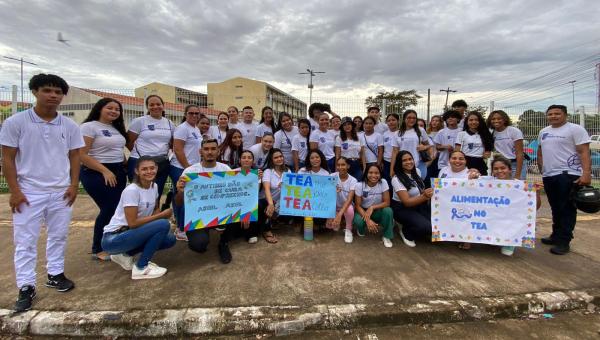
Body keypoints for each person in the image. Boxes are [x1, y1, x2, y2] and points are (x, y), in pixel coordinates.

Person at [1, 74, 84, 312]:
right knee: (25, 241)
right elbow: (7, 158)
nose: (53, 96)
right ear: (35, 92)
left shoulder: (69, 126)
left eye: (58, 92)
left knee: (58, 235)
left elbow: (74, 156)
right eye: (47, 90)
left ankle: (55, 273)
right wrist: (14, 190)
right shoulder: (16, 122)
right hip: (29, 191)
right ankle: (26, 285)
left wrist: (73, 184)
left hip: (61, 191)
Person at [102, 156, 175, 279]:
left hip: (129, 234)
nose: (149, 171)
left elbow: (155, 210)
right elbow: (133, 223)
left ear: (157, 169)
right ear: (137, 171)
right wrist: (163, 216)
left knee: (169, 239)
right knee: (163, 224)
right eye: (144, 169)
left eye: (152, 168)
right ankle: (141, 267)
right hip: (113, 238)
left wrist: (161, 216)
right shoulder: (132, 190)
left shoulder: (154, 186)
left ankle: (124, 254)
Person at [537, 104, 591, 255]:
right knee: (555, 207)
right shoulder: (544, 131)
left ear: (565, 115)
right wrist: (543, 169)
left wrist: (586, 173)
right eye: (550, 114)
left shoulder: (575, 129)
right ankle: (555, 235)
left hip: (568, 174)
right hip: (549, 175)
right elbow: (540, 152)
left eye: (557, 113)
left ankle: (564, 240)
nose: (553, 116)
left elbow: (584, 151)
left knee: (566, 208)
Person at [79, 98, 128, 261]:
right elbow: (81, 155)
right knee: (109, 208)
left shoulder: (116, 128)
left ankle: (114, 242)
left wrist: (125, 164)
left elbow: (117, 149)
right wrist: (105, 171)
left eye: (117, 109)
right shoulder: (89, 126)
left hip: (118, 171)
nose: (114, 111)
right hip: (96, 172)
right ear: (99, 108)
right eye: (110, 108)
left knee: (117, 209)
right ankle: (98, 248)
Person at [175, 138, 234, 263]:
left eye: (213, 149)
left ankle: (223, 243)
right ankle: (202, 233)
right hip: (198, 216)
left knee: (240, 218)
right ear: (200, 152)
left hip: (220, 212)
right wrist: (180, 191)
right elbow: (179, 203)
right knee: (199, 246)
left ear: (218, 151)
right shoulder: (190, 172)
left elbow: (235, 195)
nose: (210, 152)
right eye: (206, 149)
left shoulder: (226, 169)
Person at [491, 156, 542, 256]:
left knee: (507, 252)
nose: (499, 171)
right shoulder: (487, 183)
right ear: (492, 171)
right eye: (496, 169)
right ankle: (496, 236)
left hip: (512, 221)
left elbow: (536, 206)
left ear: (510, 170)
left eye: (503, 168)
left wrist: (535, 192)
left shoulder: (520, 186)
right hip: (496, 219)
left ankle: (511, 242)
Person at [126, 95, 173, 198]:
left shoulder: (169, 123)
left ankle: (155, 213)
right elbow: (128, 141)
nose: (155, 107)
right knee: (140, 195)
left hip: (161, 163)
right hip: (139, 162)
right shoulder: (139, 121)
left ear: (163, 106)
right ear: (147, 107)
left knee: (156, 194)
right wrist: (143, 157)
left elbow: (171, 143)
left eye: (158, 104)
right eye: (151, 105)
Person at [169, 105, 203, 242]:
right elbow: (178, 150)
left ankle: (179, 223)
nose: (194, 115)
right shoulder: (182, 128)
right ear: (185, 114)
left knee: (181, 197)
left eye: (197, 113)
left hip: (191, 167)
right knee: (183, 198)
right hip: (181, 168)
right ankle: (181, 229)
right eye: (191, 113)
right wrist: (187, 168)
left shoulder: (195, 128)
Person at [390, 151, 433, 248]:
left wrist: (427, 192)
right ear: (399, 163)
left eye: (410, 159)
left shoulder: (417, 171)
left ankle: (413, 224)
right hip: (402, 208)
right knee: (426, 227)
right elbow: (407, 202)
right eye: (404, 160)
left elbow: (420, 190)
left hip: (418, 205)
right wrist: (425, 196)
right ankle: (406, 231)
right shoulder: (396, 179)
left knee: (436, 224)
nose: (408, 162)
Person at [353, 164, 394, 248]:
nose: (374, 175)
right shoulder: (359, 185)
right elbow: (357, 205)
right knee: (358, 222)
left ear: (380, 174)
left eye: (377, 173)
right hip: (363, 210)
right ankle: (361, 229)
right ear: (366, 173)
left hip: (377, 210)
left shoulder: (383, 182)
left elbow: (387, 202)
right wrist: (368, 220)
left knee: (388, 210)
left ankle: (386, 236)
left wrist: (372, 207)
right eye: (370, 172)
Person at [259, 148, 291, 244]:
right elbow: (267, 189)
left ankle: (275, 219)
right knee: (269, 205)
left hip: (280, 202)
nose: (279, 159)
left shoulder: (288, 171)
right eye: (276, 157)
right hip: (266, 200)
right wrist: (270, 204)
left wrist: (286, 187)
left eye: (281, 156)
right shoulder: (268, 171)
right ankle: (266, 230)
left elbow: (292, 190)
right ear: (271, 160)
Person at [390, 110, 431, 179]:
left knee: (419, 187)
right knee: (405, 187)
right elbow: (394, 152)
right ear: (404, 119)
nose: (411, 120)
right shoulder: (397, 133)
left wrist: (424, 147)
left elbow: (429, 145)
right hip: (403, 165)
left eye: (414, 118)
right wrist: (392, 169)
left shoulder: (421, 130)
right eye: (409, 118)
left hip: (419, 164)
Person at [487, 110, 525, 180]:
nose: (496, 121)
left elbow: (520, 153)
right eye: (493, 119)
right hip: (500, 165)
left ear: (504, 119)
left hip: (514, 164)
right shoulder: (492, 133)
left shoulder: (514, 131)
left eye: (499, 118)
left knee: (516, 188)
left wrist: (518, 174)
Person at [234, 150, 261, 244]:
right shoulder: (231, 173)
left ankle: (252, 232)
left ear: (253, 161)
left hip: (249, 201)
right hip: (235, 202)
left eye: (249, 158)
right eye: (244, 157)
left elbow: (253, 195)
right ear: (240, 160)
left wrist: (246, 214)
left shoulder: (256, 173)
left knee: (259, 204)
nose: (246, 160)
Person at [328, 157, 358, 244]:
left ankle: (348, 230)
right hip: (333, 206)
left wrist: (339, 215)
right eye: (338, 165)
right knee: (330, 227)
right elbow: (326, 195)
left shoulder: (353, 180)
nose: (340, 167)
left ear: (348, 166)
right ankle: (336, 220)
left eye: (343, 165)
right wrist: (333, 191)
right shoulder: (332, 176)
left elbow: (349, 199)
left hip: (346, 205)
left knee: (349, 210)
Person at [455, 111, 493, 175]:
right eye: (471, 120)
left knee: (481, 182)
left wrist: (487, 152)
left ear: (480, 121)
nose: (474, 122)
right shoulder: (461, 134)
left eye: (476, 120)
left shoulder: (485, 134)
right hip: (466, 162)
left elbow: (488, 152)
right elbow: (456, 150)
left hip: (480, 163)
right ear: (467, 122)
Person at [382, 113, 400, 185]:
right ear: (386, 122)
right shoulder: (384, 134)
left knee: (398, 182)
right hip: (387, 162)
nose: (391, 122)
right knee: (388, 182)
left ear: (398, 121)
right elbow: (382, 149)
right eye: (389, 120)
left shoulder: (401, 133)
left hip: (398, 162)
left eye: (393, 120)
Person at [426, 115, 443, 180]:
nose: (434, 122)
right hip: (429, 158)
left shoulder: (442, 133)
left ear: (440, 122)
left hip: (439, 158)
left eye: (437, 121)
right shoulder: (427, 133)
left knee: (437, 177)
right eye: (433, 120)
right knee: (428, 176)